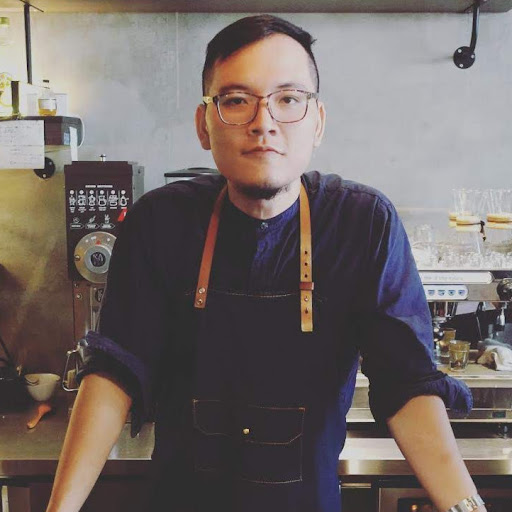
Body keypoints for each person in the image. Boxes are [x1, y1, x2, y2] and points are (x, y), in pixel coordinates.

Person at [46, 15, 486, 512]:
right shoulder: (160, 222)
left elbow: (407, 385)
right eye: (237, 100)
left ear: (317, 121)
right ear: (204, 124)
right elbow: (115, 372)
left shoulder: (363, 224)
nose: (264, 122)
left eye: (289, 99)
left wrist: (465, 507)